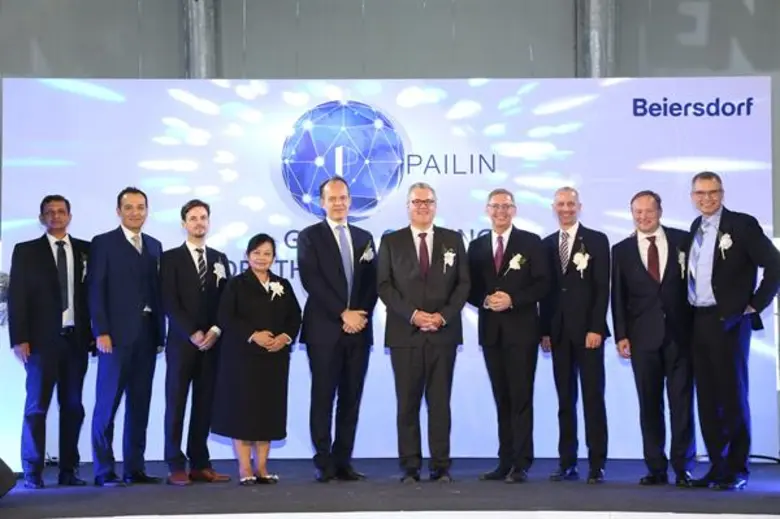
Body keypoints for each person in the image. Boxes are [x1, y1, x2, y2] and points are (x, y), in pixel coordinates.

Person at [686, 171, 780, 490]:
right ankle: (717, 465)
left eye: (712, 192)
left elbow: (775, 264)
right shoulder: (695, 227)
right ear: (693, 197)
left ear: (722, 193)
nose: (707, 198)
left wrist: (755, 304)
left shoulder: (742, 225)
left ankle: (737, 468)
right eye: (700, 193)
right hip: (698, 321)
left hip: (729, 321)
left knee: (732, 395)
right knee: (707, 398)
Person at [377, 182, 470, 483]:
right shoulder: (391, 241)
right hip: (405, 335)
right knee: (407, 404)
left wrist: (442, 317)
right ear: (407, 206)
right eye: (416, 202)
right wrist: (414, 315)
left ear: (435, 205)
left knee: (440, 404)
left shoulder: (453, 239)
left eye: (428, 201)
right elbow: (384, 286)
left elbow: (464, 284)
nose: (422, 207)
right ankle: (410, 466)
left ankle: (441, 466)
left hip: (443, 334)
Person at [611, 190, 695, 487]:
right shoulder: (621, 250)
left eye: (649, 211)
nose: (643, 217)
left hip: (680, 336)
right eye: (638, 212)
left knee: (682, 405)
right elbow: (618, 296)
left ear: (660, 211)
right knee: (649, 405)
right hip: (642, 338)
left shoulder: (683, 240)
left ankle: (683, 467)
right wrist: (621, 334)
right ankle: (656, 467)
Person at [297, 178, 378, 482]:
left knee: (351, 398)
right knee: (323, 398)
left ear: (350, 200)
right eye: (332, 198)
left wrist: (360, 315)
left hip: (359, 330)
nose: (338, 203)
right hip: (324, 331)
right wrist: (343, 313)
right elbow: (311, 280)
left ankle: (343, 461)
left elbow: (373, 282)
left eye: (343, 197)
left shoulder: (364, 237)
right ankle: (324, 461)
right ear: (322, 203)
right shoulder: (309, 237)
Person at [8, 195, 92, 489]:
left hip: (76, 341)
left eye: (61, 211)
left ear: (69, 216)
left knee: (73, 408)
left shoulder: (86, 250)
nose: (56, 216)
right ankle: (32, 471)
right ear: (41, 218)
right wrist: (19, 338)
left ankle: (69, 470)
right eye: (49, 212)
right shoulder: (26, 251)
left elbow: (92, 295)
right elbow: (17, 296)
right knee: (36, 408)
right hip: (40, 343)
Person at [467, 188, 549, 483]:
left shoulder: (531, 242)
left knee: (521, 397)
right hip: (491, 333)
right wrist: (485, 300)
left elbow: (543, 284)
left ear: (514, 210)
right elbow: (467, 286)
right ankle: (504, 460)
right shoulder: (476, 246)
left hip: (522, 332)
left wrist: (513, 299)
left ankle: (521, 462)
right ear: (487, 210)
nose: (501, 211)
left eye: (506, 206)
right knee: (502, 397)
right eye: (495, 206)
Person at [89, 186, 166, 487]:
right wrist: (101, 331)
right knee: (107, 406)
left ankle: (135, 468)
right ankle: (103, 471)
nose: (136, 212)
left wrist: (159, 334)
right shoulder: (103, 243)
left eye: (140, 207)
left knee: (139, 405)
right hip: (115, 338)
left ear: (147, 211)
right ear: (118, 211)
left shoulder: (155, 245)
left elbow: (157, 293)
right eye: (129, 207)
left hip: (147, 337)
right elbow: (96, 290)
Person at [211, 234, 302, 485]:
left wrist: (284, 337)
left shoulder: (283, 284)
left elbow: (295, 317)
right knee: (243, 412)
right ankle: (244, 468)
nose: (262, 258)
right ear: (248, 255)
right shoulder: (236, 284)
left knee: (268, 412)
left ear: (274, 257)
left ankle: (261, 467)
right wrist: (253, 335)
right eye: (257, 253)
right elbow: (226, 316)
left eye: (267, 253)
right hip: (242, 359)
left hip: (274, 360)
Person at [540, 186, 610, 484]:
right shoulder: (546, 244)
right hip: (558, 335)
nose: (566, 209)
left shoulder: (596, 240)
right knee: (565, 401)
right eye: (561, 204)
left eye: (571, 204)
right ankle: (567, 462)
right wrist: (545, 331)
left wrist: (596, 327)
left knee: (593, 398)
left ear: (579, 207)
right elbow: (545, 292)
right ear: (553, 208)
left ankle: (597, 464)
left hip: (588, 333)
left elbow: (602, 288)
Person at [160, 199, 231, 485]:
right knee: (176, 404)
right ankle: (175, 464)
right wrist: (191, 332)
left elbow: (226, 301)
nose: (199, 222)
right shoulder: (170, 258)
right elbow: (169, 300)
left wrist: (215, 330)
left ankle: (200, 463)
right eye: (193, 218)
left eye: (203, 217)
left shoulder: (220, 258)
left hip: (212, 345)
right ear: (184, 223)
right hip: (182, 343)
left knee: (204, 405)